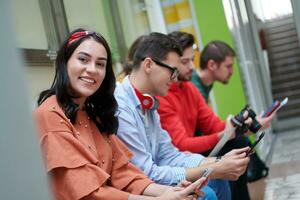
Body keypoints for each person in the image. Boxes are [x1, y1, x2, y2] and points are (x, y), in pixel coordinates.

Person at [34, 28, 207, 200]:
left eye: (100, 64)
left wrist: (167, 192)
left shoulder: (93, 112)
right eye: (83, 60)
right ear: (64, 62)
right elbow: (89, 194)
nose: (92, 69)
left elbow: (124, 172)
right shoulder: (50, 115)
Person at [115, 32, 251, 200]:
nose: (175, 77)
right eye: (173, 71)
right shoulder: (121, 105)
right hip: (144, 187)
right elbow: (147, 173)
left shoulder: (149, 101)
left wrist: (217, 163)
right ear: (149, 65)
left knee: (217, 180)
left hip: (155, 178)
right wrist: (214, 168)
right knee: (208, 191)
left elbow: (168, 155)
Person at [156, 31, 274, 200]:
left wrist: (236, 126)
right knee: (234, 148)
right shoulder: (162, 96)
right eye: (185, 62)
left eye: (192, 60)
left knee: (238, 143)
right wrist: (223, 135)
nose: (191, 67)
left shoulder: (189, 88)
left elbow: (213, 124)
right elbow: (181, 144)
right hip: (179, 160)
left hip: (190, 155)